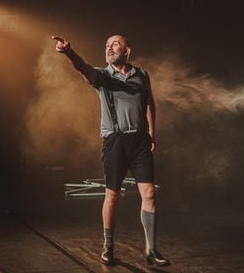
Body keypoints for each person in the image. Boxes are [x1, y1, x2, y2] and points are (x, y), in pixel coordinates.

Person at [52, 35, 170, 266]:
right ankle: (108, 244)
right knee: (113, 196)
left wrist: (152, 133)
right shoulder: (102, 75)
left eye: (114, 43)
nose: (109, 47)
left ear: (127, 49)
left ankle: (151, 248)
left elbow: (150, 103)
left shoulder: (142, 75)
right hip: (114, 142)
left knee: (149, 194)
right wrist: (69, 53)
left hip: (140, 142)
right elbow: (82, 68)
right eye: (106, 45)